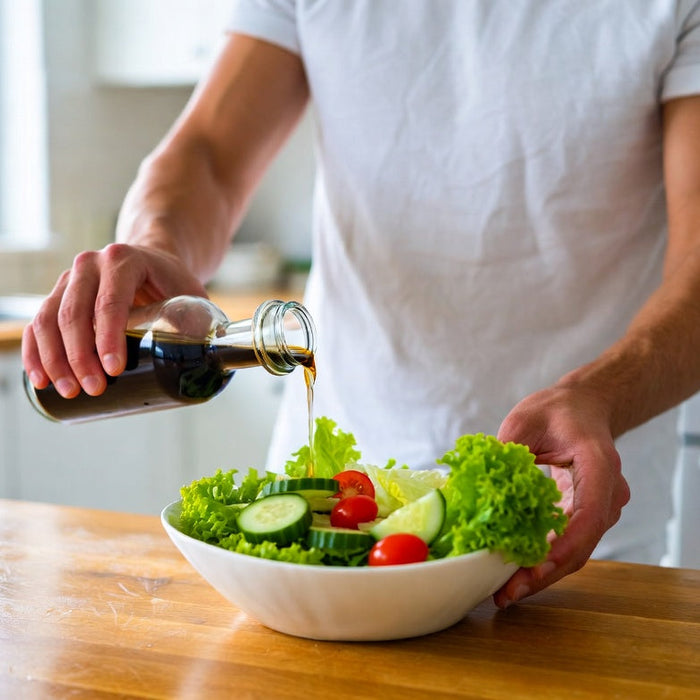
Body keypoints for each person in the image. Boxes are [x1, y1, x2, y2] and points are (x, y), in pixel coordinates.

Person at [22, 1, 700, 607]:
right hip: (325, 524)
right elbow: (207, 153)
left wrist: (599, 394)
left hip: (569, 520)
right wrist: (155, 243)